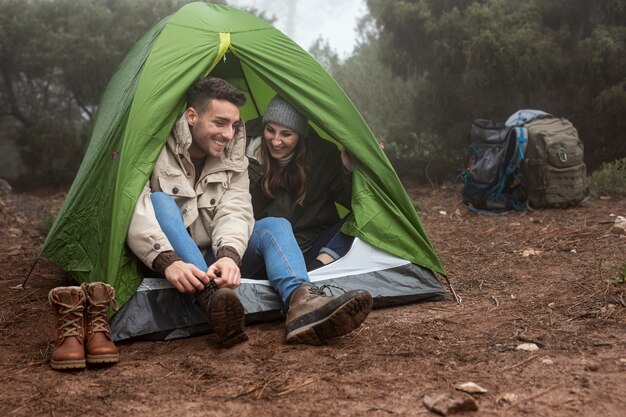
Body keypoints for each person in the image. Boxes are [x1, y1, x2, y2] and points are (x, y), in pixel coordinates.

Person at [127, 77, 372, 348]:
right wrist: (167, 261)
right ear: (192, 116)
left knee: (275, 225)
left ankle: (301, 302)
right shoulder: (153, 148)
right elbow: (134, 211)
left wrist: (229, 254)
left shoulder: (233, 157)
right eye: (220, 123)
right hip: (175, 258)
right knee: (161, 201)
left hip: (216, 253)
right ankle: (212, 298)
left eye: (233, 125)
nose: (229, 135)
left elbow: (235, 208)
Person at [245, 96, 355, 270]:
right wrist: (254, 168)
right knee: (274, 228)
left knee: (363, 216)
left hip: (312, 247)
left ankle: (315, 270)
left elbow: (351, 202)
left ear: (300, 135)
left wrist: (348, 171)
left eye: (286, 134)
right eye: (270, 130)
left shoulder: (322, 156)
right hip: (266, 251)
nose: (275, 141)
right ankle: (303, 281)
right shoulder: (247, 153)